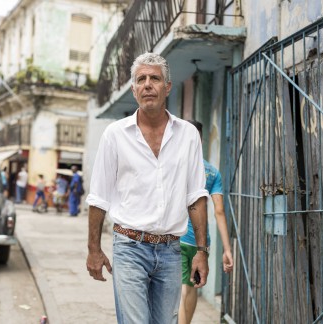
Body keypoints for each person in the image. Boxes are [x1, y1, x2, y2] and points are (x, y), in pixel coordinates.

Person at [86, 52, 210, 324]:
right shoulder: (115, 135)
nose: (147, 84)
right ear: (133, 89)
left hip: (170, 250)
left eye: (154, 78)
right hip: (129, 248)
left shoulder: (188, 135)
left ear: (167, 87)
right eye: (141, 79)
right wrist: (93, 249)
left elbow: (196, 197)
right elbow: (98, 197)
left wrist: (202, 251)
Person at [178, 120, 234, 324]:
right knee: (190, 288)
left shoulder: (172, 165)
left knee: (168, 289)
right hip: (198, 242)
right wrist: (227, 249)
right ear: (200, 140)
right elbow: (219, 211)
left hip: (171, 236)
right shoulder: (212, 172)